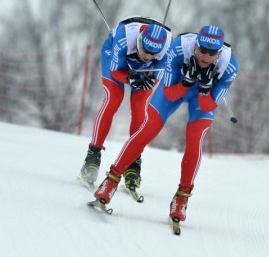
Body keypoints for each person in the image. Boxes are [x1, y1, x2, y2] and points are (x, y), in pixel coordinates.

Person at [92, 25, 239, 223]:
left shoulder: (229, 66)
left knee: (194, 139)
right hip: (177, 85)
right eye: (202, 50)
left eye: (212, 53)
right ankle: (111, 181)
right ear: (195, 46)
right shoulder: (178, 48)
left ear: (219, 53)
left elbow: (207, 105)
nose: (205, 56)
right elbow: (170, 93)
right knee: (149, 128)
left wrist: (203, 88)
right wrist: (187, 82)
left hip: (203, 97)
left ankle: (181, 198)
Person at [79, 16, 172, 194]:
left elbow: (155, 79)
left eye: (154, 53)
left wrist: (147, 81)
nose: (148, 55)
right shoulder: (124, 37)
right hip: (116, 59)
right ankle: (93, 155)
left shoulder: (168, 49)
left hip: (145, 70)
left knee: (140, 106)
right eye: (145, 49)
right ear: (140, 39)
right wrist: (130, 78)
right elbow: (115, 71)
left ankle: (134, 162)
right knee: (114, 98)